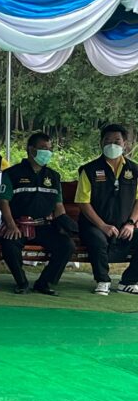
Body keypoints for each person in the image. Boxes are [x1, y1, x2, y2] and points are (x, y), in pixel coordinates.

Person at [0, 132, 75, 296]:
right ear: (31, 149)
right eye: (43, 148)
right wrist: (11, 225)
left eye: (49, 149)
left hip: (44, 225)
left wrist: (64, 224)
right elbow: (4, 202)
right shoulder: (12, 173)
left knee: (67, 245)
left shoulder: (54, 176)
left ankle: (44, 283)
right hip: (18, 224)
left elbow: (59, 206)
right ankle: (22, 283)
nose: (47, 152)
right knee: (9, 244)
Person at [76, 124, 138, 295]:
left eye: (117, 141)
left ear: (125, 144)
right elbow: (83, 202)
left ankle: (128, 281)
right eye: (108, 141)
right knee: (97, 240)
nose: (112, 145)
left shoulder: (134, 170)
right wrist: (102, 225)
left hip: (125, 225)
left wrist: (131, 223)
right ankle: (103, 280)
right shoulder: (89, 170)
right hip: (95, 224)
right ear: (101, 143)